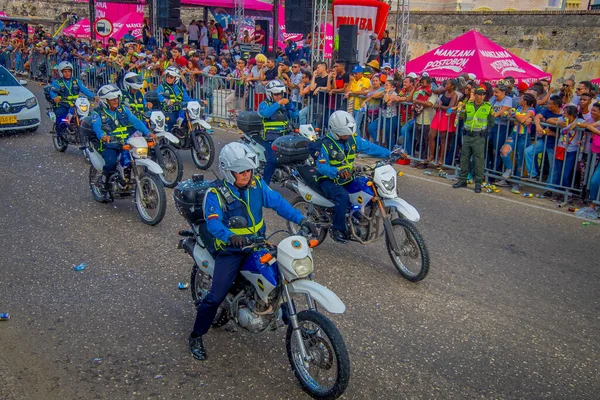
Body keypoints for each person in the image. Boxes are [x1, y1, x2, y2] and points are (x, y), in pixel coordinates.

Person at [188, 142, 318, 360]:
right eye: (241, 171)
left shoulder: (257, 185)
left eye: (249, 170)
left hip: (257, 244)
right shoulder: (216, 193)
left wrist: (302, 219)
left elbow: (278, 203)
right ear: (228, 172)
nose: (247, 175)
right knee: (216, 295)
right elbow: (213, 224)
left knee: (281, 277)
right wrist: (231, 236)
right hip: (231, 250)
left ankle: (292, 321)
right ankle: (196, 336)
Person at [315, 111, 393, 243]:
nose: (348, 136)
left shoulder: (352, 138)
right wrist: (337, 172)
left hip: (348, 177)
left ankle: (358, 216)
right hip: (328, 179)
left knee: (367, 187)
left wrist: (389, 153)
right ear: (335, 131)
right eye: (345, 134)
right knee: (343, 197)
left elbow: (369, 147)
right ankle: (338, 228)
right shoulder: (324, 144)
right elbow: (322, 167)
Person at [91, 84, 155, 201]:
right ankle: (105, 185)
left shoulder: (123, 109)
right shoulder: (97, 113)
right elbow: (97, 127)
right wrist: (103, 136)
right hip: (109, 145)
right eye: (112, 99)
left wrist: (147, 133)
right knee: (110, 162)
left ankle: (144, 186)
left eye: (117, 98)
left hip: (126, 142)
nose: (116, 101)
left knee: (139, 157)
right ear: (105, 100)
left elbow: (136, 122)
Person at [452, 87, 494, 193]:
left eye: (483, 95)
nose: (481, 97)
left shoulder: (488, 107)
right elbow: (465, 118)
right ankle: (462, 180)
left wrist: (484, 131)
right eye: (479, 94)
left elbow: (491, 122)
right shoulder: (469, 106)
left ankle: (478, 183)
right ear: (474, 95)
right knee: (464, 158)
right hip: (467, 135)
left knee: (479, 160)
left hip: (479, 137)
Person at [257, 80, 298, 184]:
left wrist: (291, 107)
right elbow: (265, 113)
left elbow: (295, 115)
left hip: (285, 137)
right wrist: (278, 104)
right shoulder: (264, 104)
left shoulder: (284, 105)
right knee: (273, 160)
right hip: (270, 138)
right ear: (270, 94)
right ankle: (265, 185)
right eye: (276, 94)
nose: (279, 96)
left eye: (280, 94)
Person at [49, 61, 95, 136]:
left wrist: (93, 96)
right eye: (65, 71)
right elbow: (52, 90)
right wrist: (55, 97)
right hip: (63, 104)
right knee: (61, 118)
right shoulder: (57, 82)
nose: (67, 73)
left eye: (69, 71)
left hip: (75, 104)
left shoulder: (76, 81)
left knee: (88, 115)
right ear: (61, 72)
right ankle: (60, 135)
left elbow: (84, 90)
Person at [156, 66, 194, 130]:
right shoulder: (161, 87)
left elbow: (187, 98)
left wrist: (198, 101)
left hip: (180, 110)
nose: (168, 78)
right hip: (168, 111)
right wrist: (166, 100)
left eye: (171, 77)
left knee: (189, 119)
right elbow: (160, 96)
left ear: (176, 78)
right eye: (167, 77)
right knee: (172, 121)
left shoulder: (180, 88)